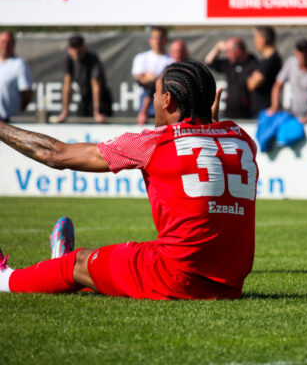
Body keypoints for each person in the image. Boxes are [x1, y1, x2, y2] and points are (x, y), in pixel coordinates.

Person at [0, 60, 259, 300]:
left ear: (167, 100)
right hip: (230, 284)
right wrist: (210, 123)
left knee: (78, 263)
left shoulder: (154, 142)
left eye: (155, 93)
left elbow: (55, 154)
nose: (153, 99)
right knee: (102, 269)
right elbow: (208, 145)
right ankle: (56, 268)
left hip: (176, 276)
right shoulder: (243, 140)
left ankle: (6, 278)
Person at [57, 35, 112, 124]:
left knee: (101, 122)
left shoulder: (92, 59)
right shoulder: (68, 60)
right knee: (81, 119)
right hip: (84, 96)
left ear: (83, 47)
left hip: (101, 98)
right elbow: (67, 86)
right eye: (73, 48)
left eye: (78, 47)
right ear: (69, 49)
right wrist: (65, 111)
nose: (76, 51)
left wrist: (97, 111)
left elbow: (96, 86)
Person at [269, 38, 307, 123]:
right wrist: (275, 106)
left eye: (305, 52)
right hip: (291, 116)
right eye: (300, 51)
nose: (302, 55)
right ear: (296, 52)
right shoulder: (291, 62)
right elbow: (277, 85)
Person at [205, 37, 258, 119]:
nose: (227, 55)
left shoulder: (253, 64)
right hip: (229, 114)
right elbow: (209, 61)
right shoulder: (229, 63)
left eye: (229, 52)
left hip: (249, 115)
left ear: (238, 52)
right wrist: (217, 48)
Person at [132, 26, 174, 125]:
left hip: (166, 105)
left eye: (160, 37)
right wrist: (157, 79)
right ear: (150, 40)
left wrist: (153, 78)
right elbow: (140, 78)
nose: (157, 40)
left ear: (166, 39)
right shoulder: (141, 58)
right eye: (154, 37)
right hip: (145, 107)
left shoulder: (172, 60)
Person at [247, 26, 282, 117]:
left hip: (266, 111)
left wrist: (250, 78)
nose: (255, 42)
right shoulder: (266, 60)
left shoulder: (271, 60)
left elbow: (252, 84)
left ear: (263, 40)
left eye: (256, 38)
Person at [0, 31, 33, 122]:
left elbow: (27, 93)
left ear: (13, 44)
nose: (5, 45)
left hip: (9, 120)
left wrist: (17, 112)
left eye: (9, 42)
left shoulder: (19, 64)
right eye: (3, 42)